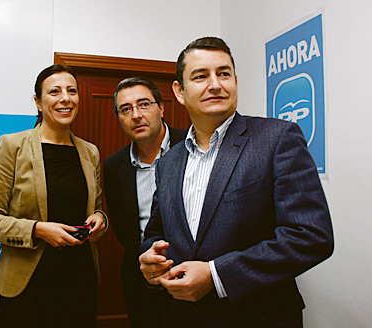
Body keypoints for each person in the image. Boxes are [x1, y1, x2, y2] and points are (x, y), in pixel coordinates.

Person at [139, 37, 334, 327]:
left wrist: (217, 275)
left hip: (257, 316)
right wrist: (152, 256)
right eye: (201, 76)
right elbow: (156, 230)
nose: (215, 84)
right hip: (182, 317)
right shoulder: (169, 161)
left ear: (235, 81)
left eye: (224, 73)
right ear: (179, 91)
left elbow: (310, 236)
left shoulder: (277, 139)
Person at [0, 64, 108, 327]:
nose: (65, 98)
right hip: (28, 287)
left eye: (72, 91)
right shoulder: (13, 146)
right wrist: (38, 230)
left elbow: (96, 209)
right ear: (38, 102)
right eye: (54, 92)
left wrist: (99, 218)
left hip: (79, 280)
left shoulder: (89, 152)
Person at [103, 77, 186, 327]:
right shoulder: (113, 166)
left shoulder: (193, 146)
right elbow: (123, 230)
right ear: (119, 117)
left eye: (144, 104)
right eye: (125, 109)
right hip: (141, 278)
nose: (136, 115)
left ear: (162, 108)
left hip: (191, 275)